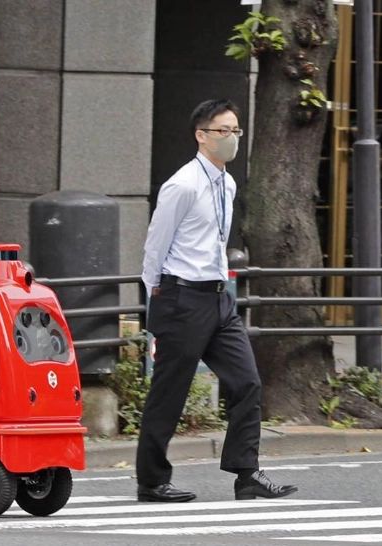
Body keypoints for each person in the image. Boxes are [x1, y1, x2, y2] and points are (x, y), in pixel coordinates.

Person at [137, 99, 298, 503]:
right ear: (201, 135)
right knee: (169, 392)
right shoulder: (183, 184)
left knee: (247, 383)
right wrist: (156, 298)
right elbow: (155, 245)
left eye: (236, 131)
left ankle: (247, 474)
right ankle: (151, 481)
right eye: (223, 131)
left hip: (218, 297)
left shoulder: (227, 183)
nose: (231, 139)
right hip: (181, 297)